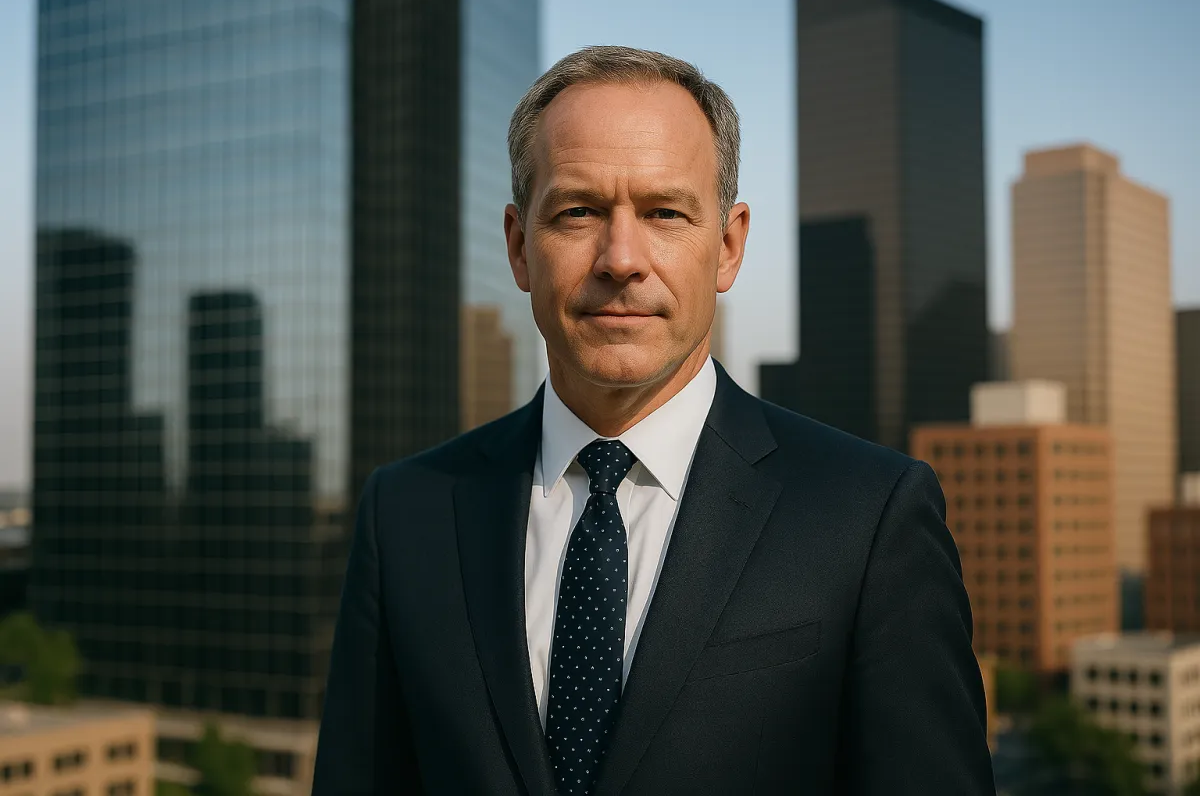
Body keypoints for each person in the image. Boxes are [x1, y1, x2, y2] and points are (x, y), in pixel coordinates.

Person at [312, 46, 994, 795]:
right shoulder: (405, 512)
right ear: (518, 246)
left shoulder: (869, 515)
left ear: (728, 246)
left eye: (665, 212)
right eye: (578, 212)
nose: (621, 259)